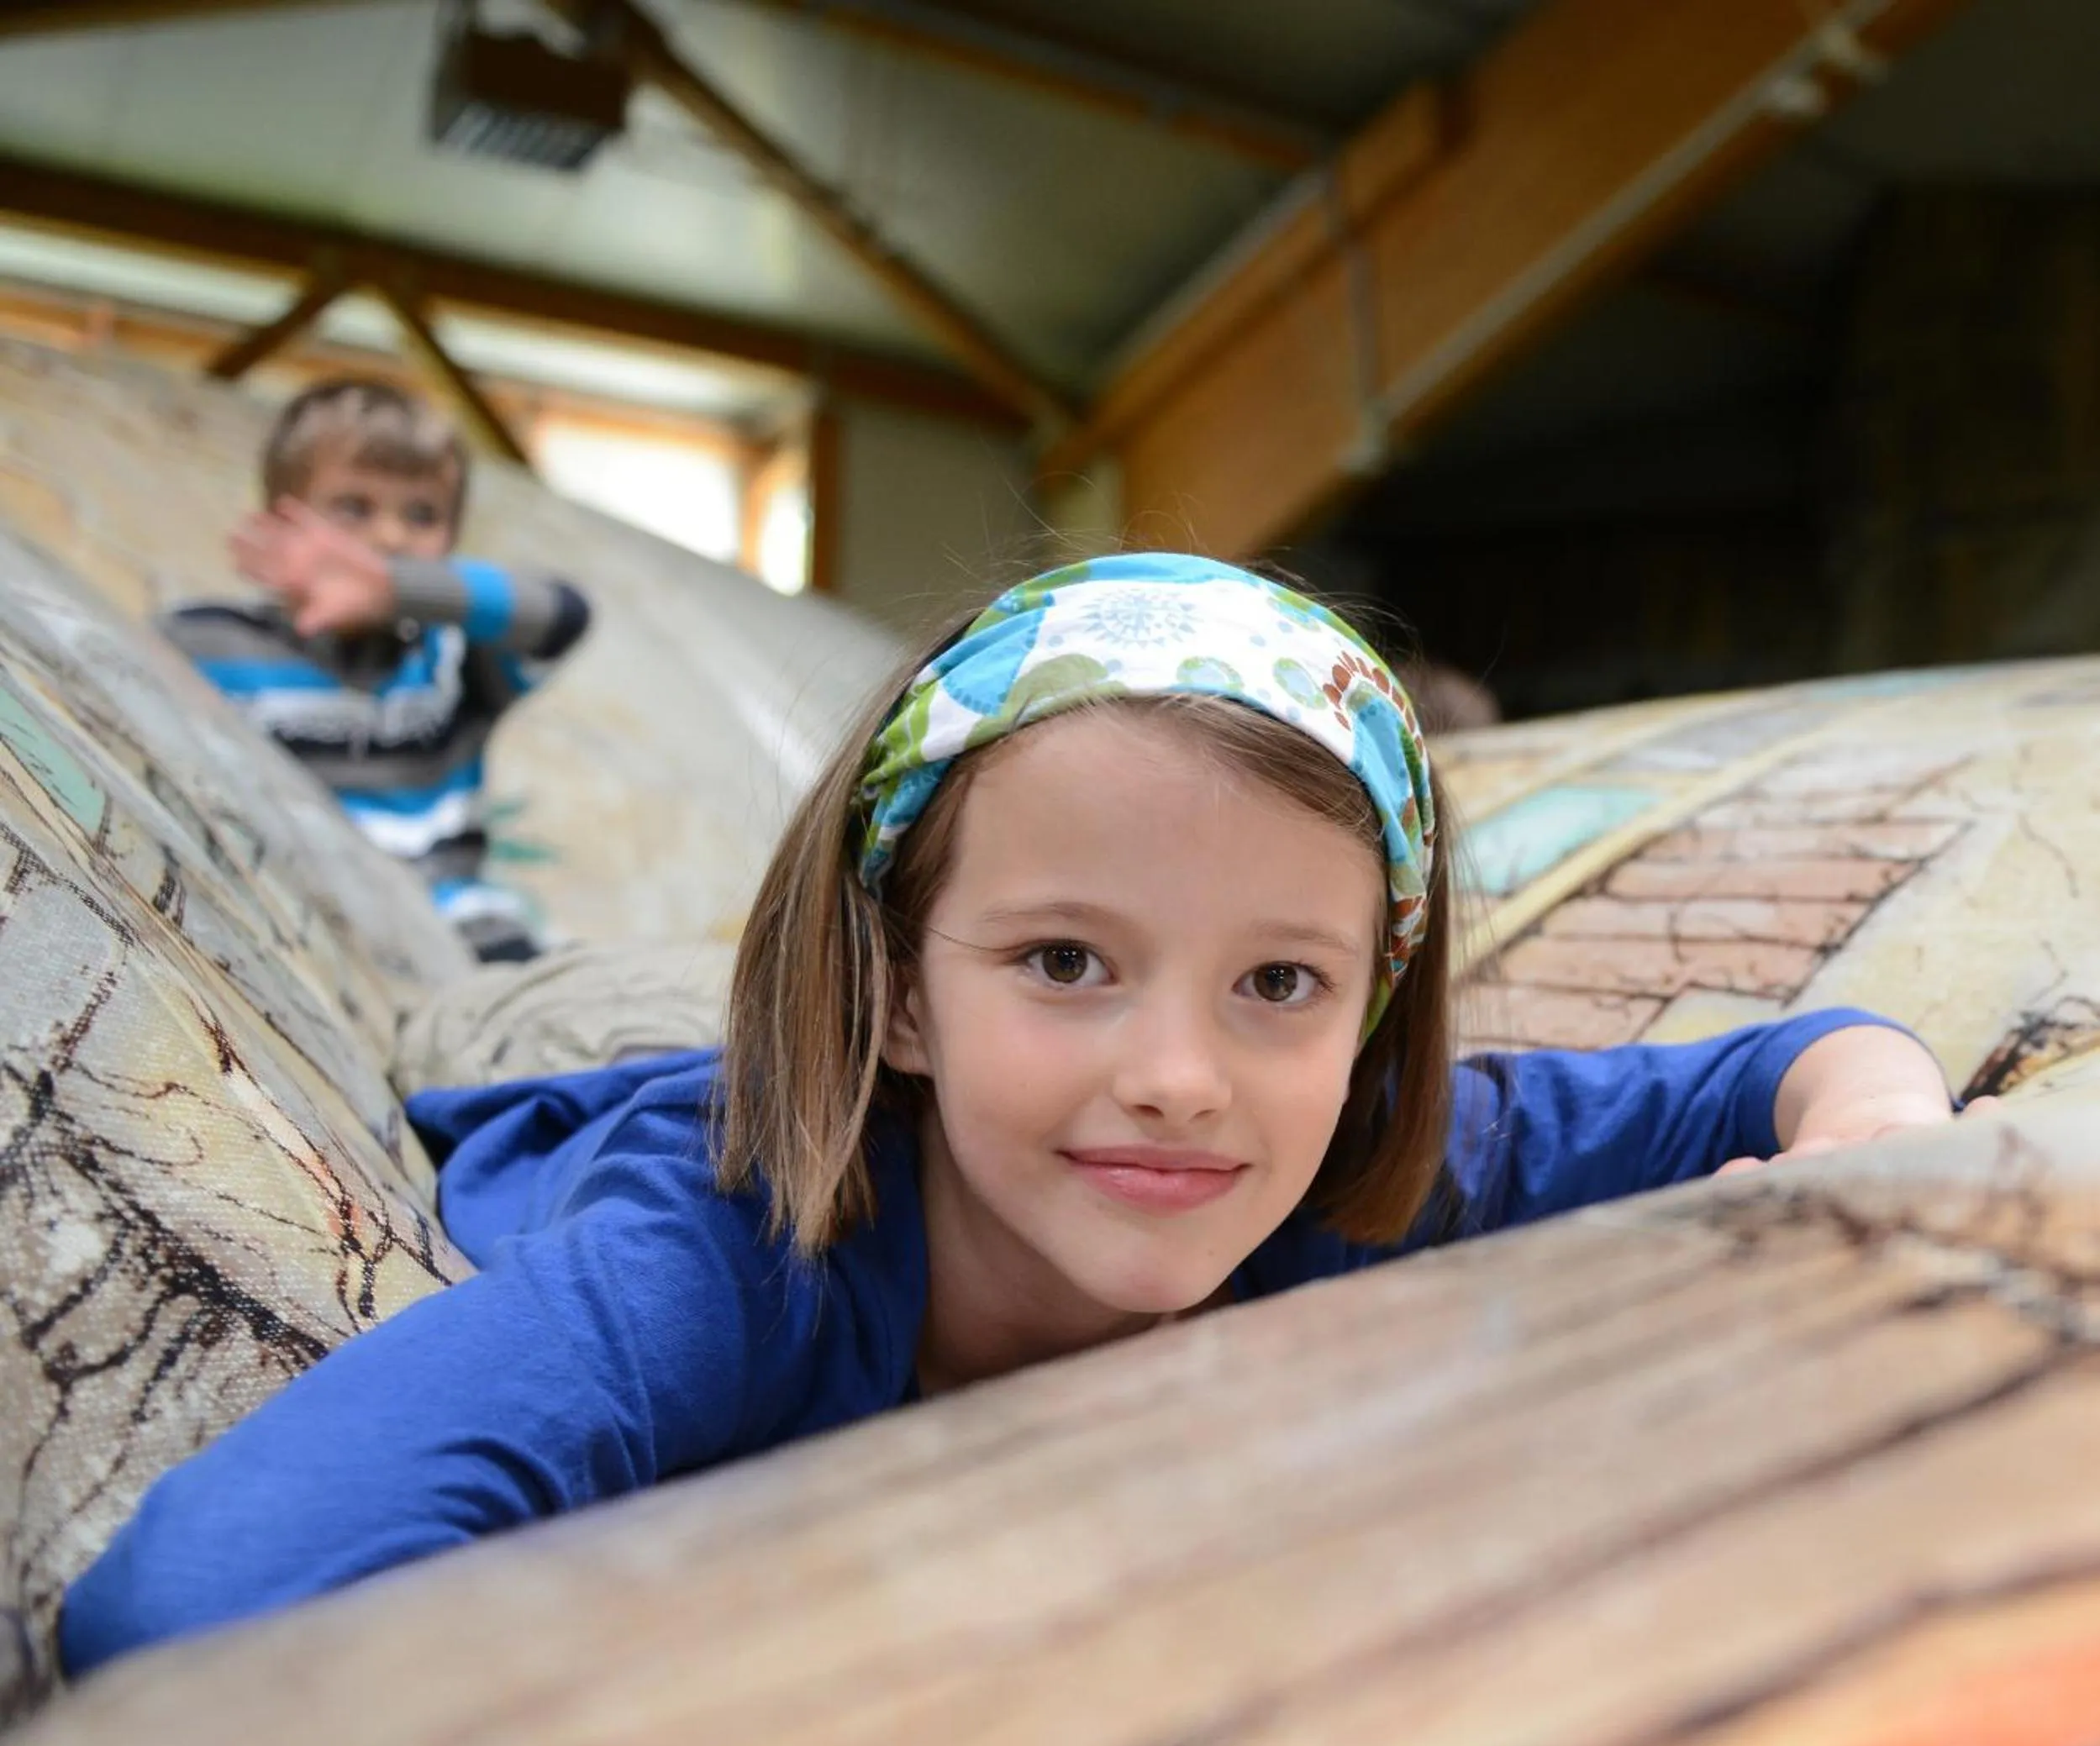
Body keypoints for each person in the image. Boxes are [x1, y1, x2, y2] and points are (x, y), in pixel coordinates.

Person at [62, 555, 1957, 1672]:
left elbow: (1804, 1055)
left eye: (1278, 982)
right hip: (622, 1082)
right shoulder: (724, 1265)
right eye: (1067, 959)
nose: (1179, 1074)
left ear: (1371, 1008)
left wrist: (1876, 1130)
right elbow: (187, 1605)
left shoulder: (1360, 1156)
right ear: (898, 984)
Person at [161, 376, 591, 963]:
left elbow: (566, 614)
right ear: (283, 520)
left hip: (465, 937)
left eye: (422, 515)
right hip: (299, 935)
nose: (390, 536)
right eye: (353, 508)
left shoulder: (456, 658)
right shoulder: (208, 641)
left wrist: (394, 588)